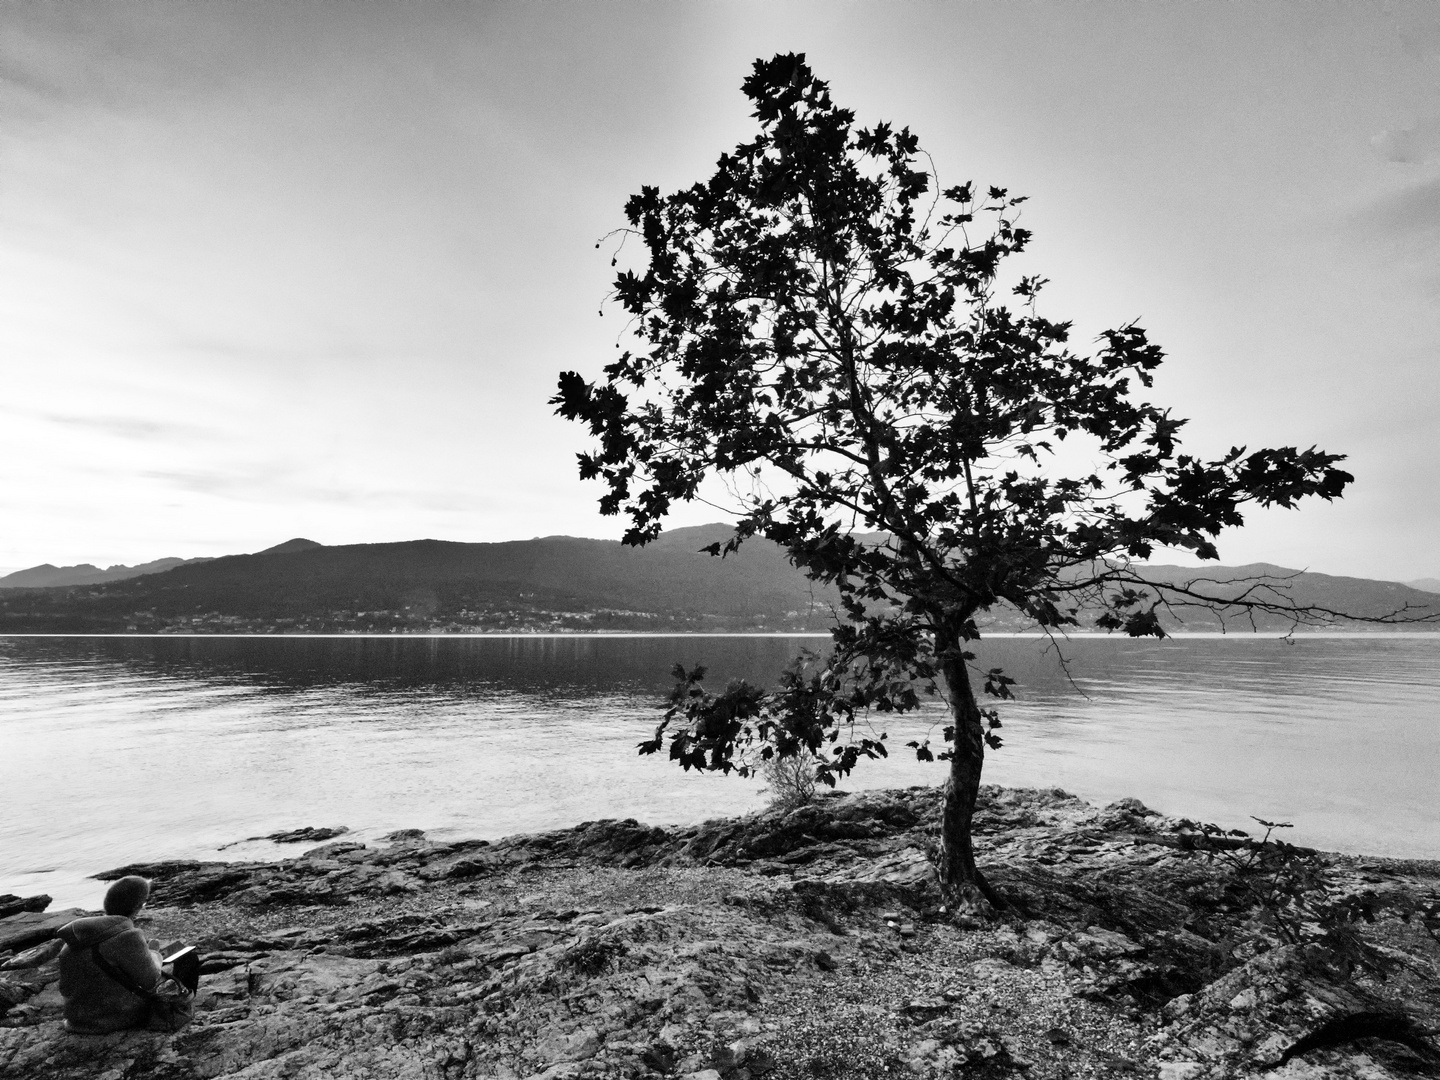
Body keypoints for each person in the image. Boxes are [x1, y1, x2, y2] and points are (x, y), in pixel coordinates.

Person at [56, 875, 197, 1034]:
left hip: (77, 1020)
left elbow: (65, 988)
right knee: (187, 956)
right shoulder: (127, 936)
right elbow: (150, 980)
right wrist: (154, 953)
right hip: (113, 1018)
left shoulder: (73, 942)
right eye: (143, 904)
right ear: (137, 907)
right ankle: (182, 1009)